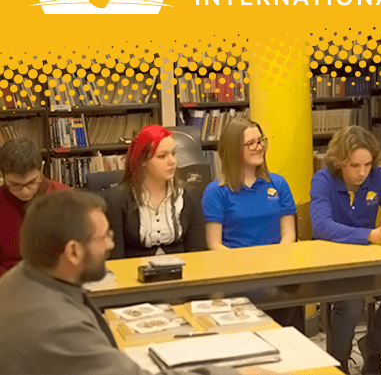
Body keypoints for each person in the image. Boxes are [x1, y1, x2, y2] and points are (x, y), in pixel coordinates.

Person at [0, 190, 249, 375]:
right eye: (103, 237)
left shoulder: (22, 277)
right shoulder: (60, 328)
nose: (110, 244)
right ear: (73, 252)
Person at [310, 125, 381, 375]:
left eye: (367, 164)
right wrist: (369, 235)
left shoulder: (378, 176)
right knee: (351, 303)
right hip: (332, 263)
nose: (362, 172)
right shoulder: (323, 179)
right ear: (339, 162)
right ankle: (339, 363)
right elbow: (321, 226)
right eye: (354, 165)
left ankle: (372, 349)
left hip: (370, 261)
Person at [202, 117, 304, 333]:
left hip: (276, 268)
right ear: (233, 149)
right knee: (263, 293)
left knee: (293, 289)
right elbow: (214, 244)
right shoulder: (215, 191)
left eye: (261, 141)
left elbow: (289, 235)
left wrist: (275, 262)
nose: (259, 147)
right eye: (251, 143)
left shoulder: (278, 183)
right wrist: (248, 265)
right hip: (236, 271)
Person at [102, 125, 206, 259]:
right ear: (143, 161)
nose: (172, 161)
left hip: (182, 269)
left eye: (173, 153)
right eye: (162, 156)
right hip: (134, 269)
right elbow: (115, 258)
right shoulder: (117, 200)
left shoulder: (189, 195)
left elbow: (197, 252)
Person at [0, 137, 70, 277]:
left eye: (31, 182)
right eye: (15, 184)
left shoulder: (65, 197)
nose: (25, 191)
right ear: (3, 176)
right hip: (8, 280)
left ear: (41, 169)